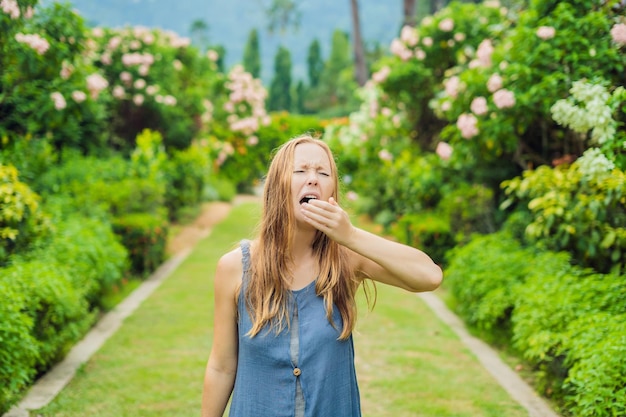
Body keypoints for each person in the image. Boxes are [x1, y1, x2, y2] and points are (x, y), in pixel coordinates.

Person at [201, 134, 443, 417]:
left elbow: (429, 276)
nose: (313, 179)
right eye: (301, 171)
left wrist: (350, 235)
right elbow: (221, 366)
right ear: (277, 187)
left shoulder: (346, 259)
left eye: (323, 173)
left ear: (332, 191)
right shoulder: (234, 268)